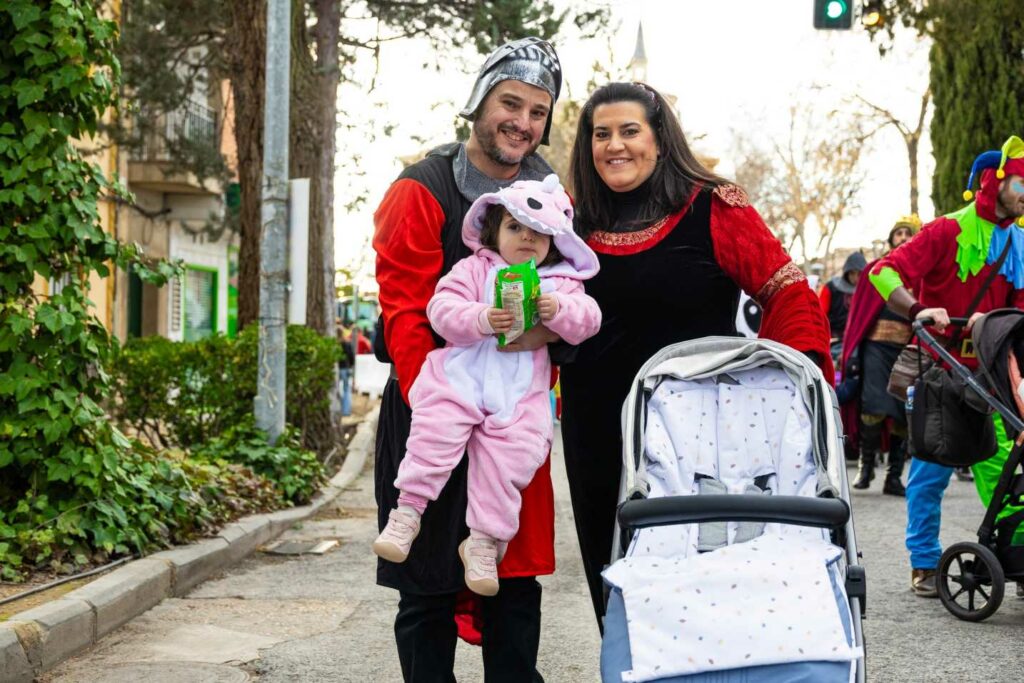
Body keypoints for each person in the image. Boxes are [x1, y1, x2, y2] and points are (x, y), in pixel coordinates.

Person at [560, 81, 834, 626]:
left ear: (660, 139)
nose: (615, 145)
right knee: (611, 570)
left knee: (695, 577)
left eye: (630, 131)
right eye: (601, 134)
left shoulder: (714, 207)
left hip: (697, 432)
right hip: (594, 428)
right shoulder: (569, 221)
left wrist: (788, 384)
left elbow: (788, 293)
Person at [372, 37, 563, 681]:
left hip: (513, 410)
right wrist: (437, 398)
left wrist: (551, 344)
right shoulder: (420, 188)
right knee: (425, 584)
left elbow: (574, 295)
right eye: (510, 103)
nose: (522, 122)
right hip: (436, 403)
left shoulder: (553, 197)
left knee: (511, 579)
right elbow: (404, 311)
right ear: (480, 102)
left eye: (538, 111)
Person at [373, 175, 601, 597]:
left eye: (538, 233)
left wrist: (558, 310)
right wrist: (479, 318)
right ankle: (407, 513)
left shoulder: (561, 282)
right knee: (431, 437)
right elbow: (440, 308)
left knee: (511, 461)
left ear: (555, 239)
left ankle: (482, 542)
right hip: (459, 380)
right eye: (515, 228)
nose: (526, 239)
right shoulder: (475, 268)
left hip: (516, 396)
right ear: (494, 230)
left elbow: (589, 319)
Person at [867, 135, 1024, 597]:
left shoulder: (1018, 241)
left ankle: (1015, 560)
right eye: (1019, 182)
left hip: (994, 374)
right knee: (931, 470)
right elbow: (883, 271)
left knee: (1002, 467)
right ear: (991, 184)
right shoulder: (945, 231)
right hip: (942, 367)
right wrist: (917, 308)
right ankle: (924, 563)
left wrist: (993, 322)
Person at [841, 216, 921, 494]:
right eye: (898, 233)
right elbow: (859, 316)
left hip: (906, 349)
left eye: (908, 234)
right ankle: (865, 468)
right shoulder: (876, 270)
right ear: (891, 239)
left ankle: (894, 476)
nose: (903, 238)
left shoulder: (920, 273)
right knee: (873, 407)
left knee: (902, 413)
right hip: (875, 347)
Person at [820, 251, 867, 359]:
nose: (856, 278)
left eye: (859, 273)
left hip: (860, 341)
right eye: (852, 273)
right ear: (846, 272)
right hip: (835, 341)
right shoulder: (831, 287)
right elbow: (820, 316)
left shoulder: (868, 291)